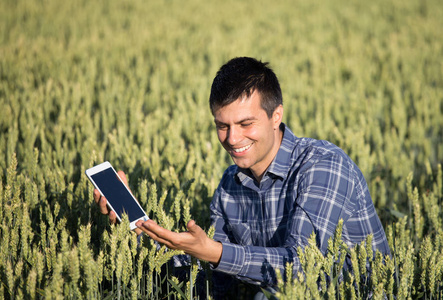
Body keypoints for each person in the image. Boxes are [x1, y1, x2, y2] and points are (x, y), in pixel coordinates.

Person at [94, 57, 391, 298]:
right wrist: (139, 229)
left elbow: (300, 270)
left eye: (245, 123)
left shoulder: (323, 166)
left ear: (276, 116)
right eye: (222, 125)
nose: (233, 138)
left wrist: (216, 253)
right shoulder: (230, 185)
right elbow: (212, 282)